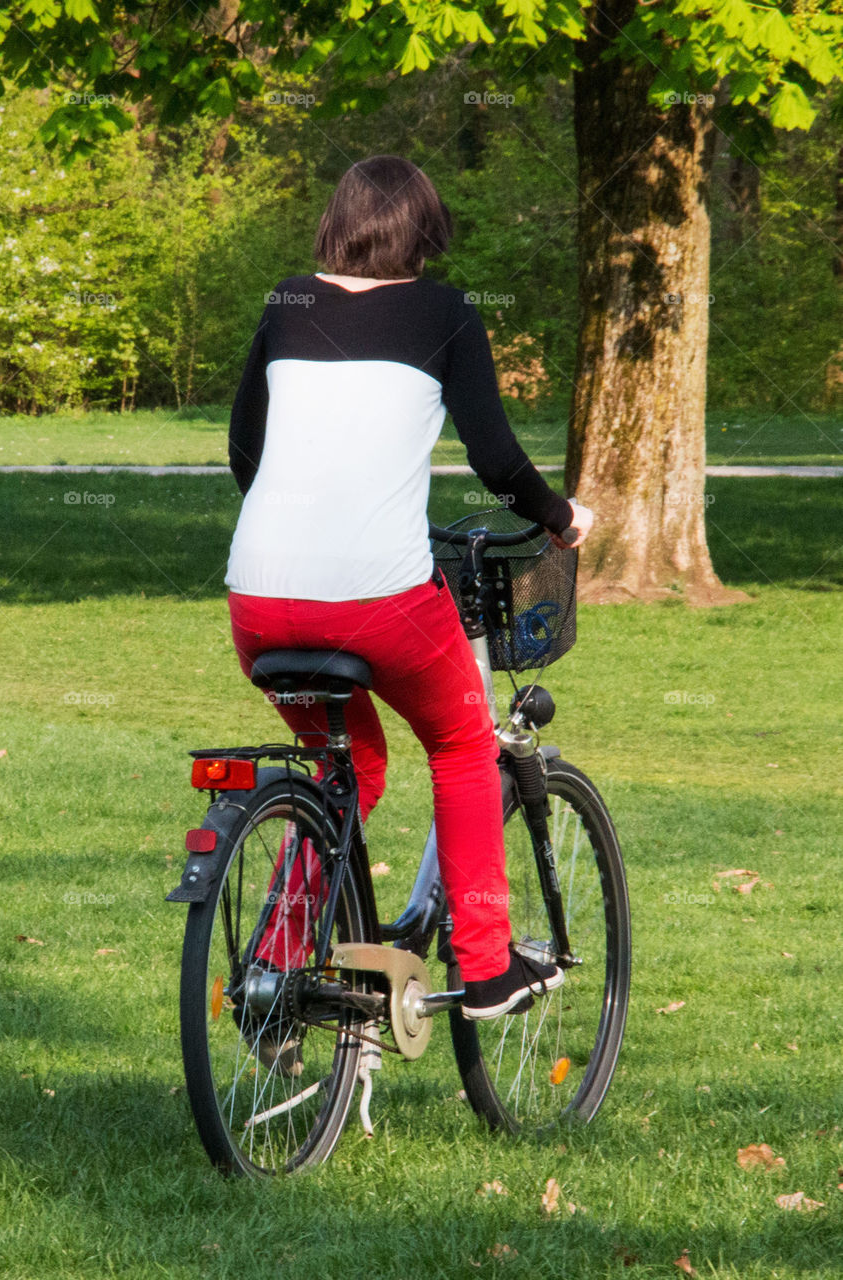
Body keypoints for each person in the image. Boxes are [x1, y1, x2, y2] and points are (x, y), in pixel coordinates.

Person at [225, 154, 593, 1021]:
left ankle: (273, 975)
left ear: (334, 224)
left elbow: (247, 453)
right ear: (425, 234)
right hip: (379, 602)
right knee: (464, 745)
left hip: (256, 597)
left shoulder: (286, 301)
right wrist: (557, 516)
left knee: (342, 769)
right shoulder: (445, 311)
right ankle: (487, 965)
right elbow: (496, 461)